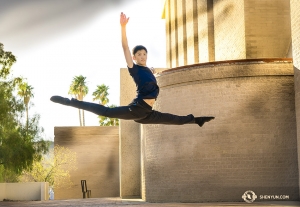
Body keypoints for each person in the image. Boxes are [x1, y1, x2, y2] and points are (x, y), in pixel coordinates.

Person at [50, 12, 214, 127]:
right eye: (139, 54)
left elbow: (149, 79)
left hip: (147, 113)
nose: (143, 56)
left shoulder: (148, 70)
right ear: (134, 57)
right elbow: (125, 47)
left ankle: (196, 120)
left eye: (145, 54)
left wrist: (151, 71)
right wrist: (123, 27)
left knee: (173, 119)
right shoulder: (134, 68)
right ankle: (70, 102)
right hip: (137, 109)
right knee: (107, 111)